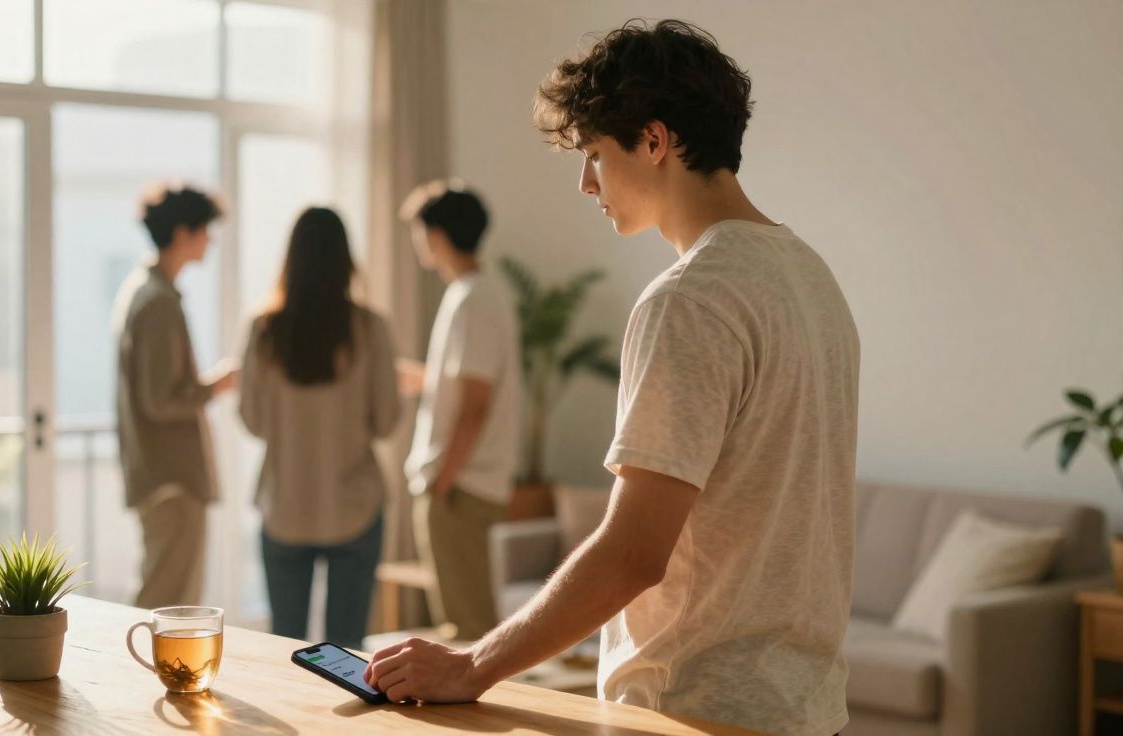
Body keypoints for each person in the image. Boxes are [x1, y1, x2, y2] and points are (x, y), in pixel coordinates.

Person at [365, 20, 859, 736]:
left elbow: (633, 553)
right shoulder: (811, 276)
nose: (584, 182)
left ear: (655, 142)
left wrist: (473, 664)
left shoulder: (690, 299)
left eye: (594, 154)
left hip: (693, 710)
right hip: (809, 710)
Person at [239, 207, 401, 649]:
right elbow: (387, 421)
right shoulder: (370, 329)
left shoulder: (263, 331)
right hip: (354, 506)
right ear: (346, 260)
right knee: (347, 653)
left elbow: (252, 421)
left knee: (283, 649)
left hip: (285, 505)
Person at [397, 181, 522, 641]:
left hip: (461, 482)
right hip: (460, 479)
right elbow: (464, 388)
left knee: (467, 624)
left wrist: (443, 480)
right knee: (463, 616)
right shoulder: (473, 294)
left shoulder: (474, 298)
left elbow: (475, 403)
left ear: (437, 235)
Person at [114, 184, 237, 610]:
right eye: (206, 230)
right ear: (185, 232)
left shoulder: (145, 290)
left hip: (161, 475)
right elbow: (160, 401)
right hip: (172, 479)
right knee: (168, 603)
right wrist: (213, 386)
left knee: (165, 594)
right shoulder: (158, 301)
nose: (211, 241)